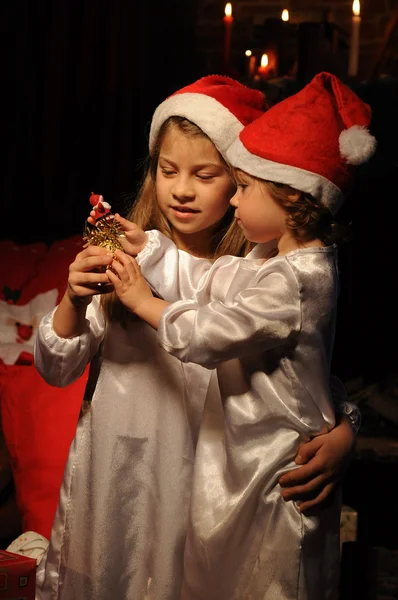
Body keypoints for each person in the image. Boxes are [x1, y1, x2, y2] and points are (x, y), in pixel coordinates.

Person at [33, 75, 359, 600]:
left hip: (208, 491)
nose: (182, 189)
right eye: (167, 170)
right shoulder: (127, 260)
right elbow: (55, 368)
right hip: (120, 475)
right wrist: (73, 300)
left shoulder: (260, 273)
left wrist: (344, 430)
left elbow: (300, 373)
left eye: (206, 175)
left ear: (248, 183)